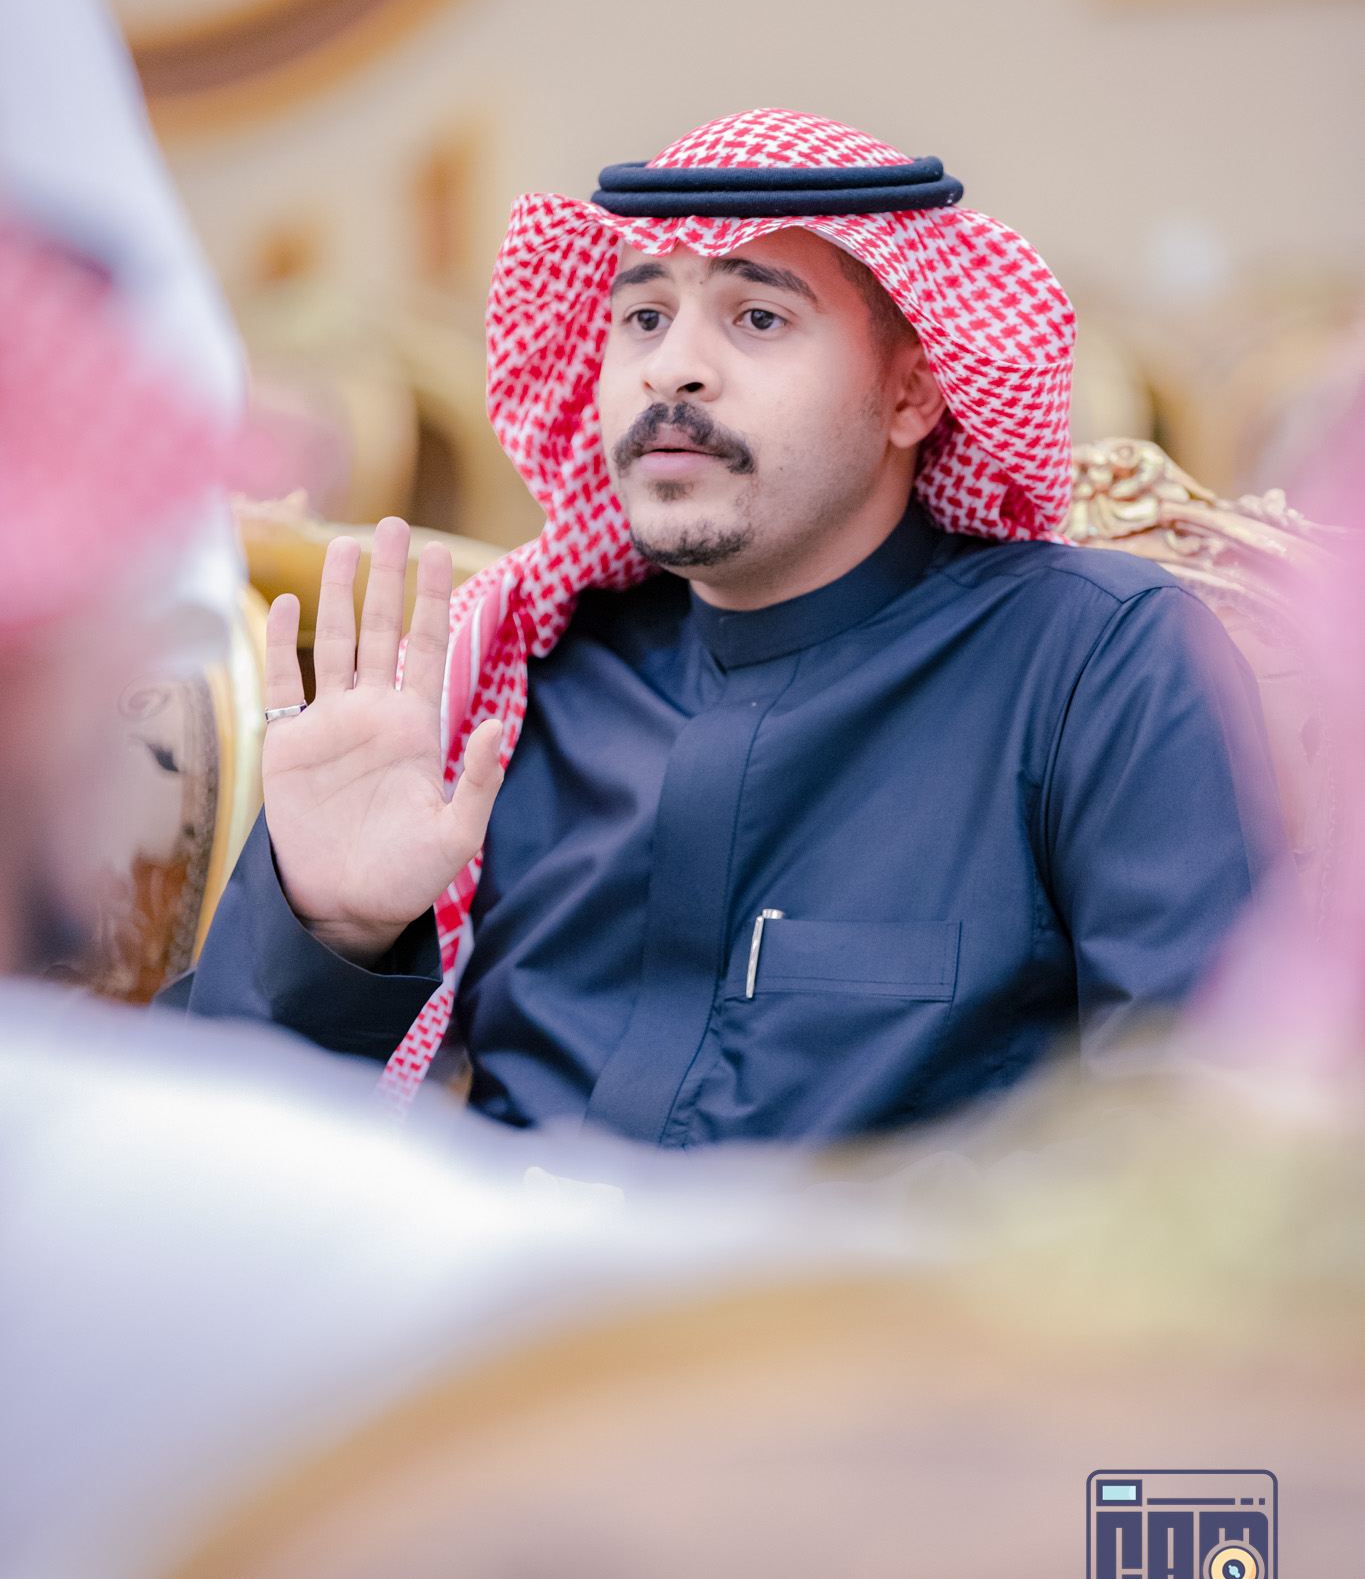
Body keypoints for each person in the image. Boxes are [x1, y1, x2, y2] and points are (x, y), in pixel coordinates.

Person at [168, 111, 1284, 1141]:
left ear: (912, 392)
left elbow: (1200, 1159)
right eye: (643, 316)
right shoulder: (510, 675)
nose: (673, 368)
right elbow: (214, 1154)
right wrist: (334, 931)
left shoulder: (1088, 666)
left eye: (757, 317)